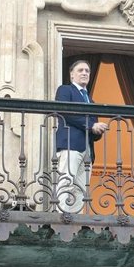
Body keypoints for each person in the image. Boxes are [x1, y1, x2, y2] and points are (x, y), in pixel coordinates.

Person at [55, 60, 108, 213]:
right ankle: (60, 217)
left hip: (87, 150)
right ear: (72, 74)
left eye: (87, 71)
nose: (84, 73)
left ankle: (75, 220)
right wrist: (91, 126)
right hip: (70, 144)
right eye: (80, 70)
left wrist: (97, 130)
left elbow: (93, 126)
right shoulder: (65, 90)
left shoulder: (90, 100)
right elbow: (65, 111)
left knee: (81, 188)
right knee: (66, 182)